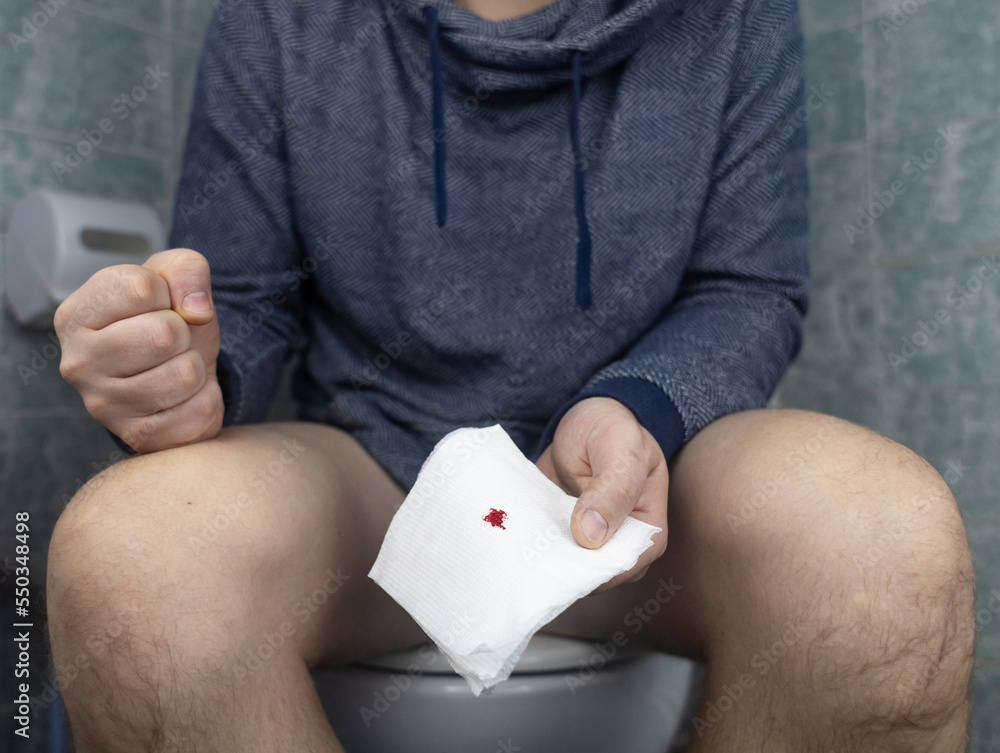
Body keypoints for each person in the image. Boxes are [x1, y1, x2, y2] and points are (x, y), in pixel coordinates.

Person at [47, 0, 975, 749]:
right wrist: (188, 374)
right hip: (377, 484)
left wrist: (635, 407)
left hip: (645, 492)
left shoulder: (733, 16)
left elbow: (748, 287)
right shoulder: (278, 17)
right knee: (131, 560)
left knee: (881, 550)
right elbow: (242, 301)